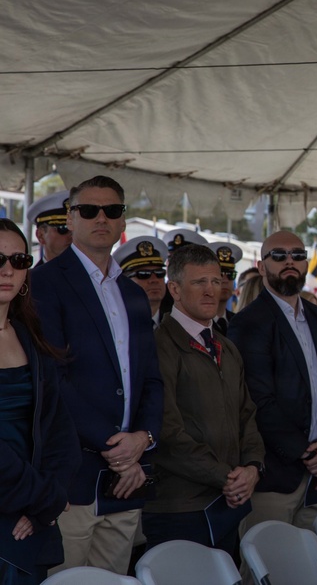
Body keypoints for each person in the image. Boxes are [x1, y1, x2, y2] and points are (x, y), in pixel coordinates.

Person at [32, 175, 163, 576]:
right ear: (70, 219)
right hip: (74, 479)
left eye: (113, 210)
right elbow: (52, 378)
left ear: (123, 222)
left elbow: (151, 380)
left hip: (127, 480)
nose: (101, 218)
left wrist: (144, 437)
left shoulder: (133, 293)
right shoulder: (44, 284)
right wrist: (117, 447)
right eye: (89, 210)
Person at [143, 244, 265, 562]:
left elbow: (247, 416)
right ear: (175, 289)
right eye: (199, 282)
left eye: (216, 280)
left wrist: (252, 467)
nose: (212, 290)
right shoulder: (159, 346)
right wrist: (226, 476)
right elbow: (166, 431)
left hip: (227, 503)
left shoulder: (226, 346)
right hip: (179, 507)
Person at [228, 230, 317, 533]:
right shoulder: (249, 323)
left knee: (314, 570)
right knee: (268, 570)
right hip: (275, 474)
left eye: (297, 255)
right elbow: (258, 401)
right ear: (261, 266)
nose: (289, 262)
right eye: (279, 255)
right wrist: (308, 454)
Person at [0, 219, 80, 584]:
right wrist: (45, 499)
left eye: (19, 260)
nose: (7, 270)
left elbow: (59, 428)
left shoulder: (30, 336)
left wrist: (44, 505)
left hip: (32, 518)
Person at [113, 236, 169, 328]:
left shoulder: (177, 325)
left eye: (159, 273)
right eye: (143, 274)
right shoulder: (116, 326)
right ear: (124, 281)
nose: (154, 280)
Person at [26, 191, 71, 265]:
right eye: (63, 228)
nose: (72, 235)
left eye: (77, 230)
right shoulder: (31, 276)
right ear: (41, 235)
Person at [208, 242, 241, 336]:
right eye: (220, 274)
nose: (225, 280)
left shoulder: (239, 322)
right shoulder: (197, 322)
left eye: (231, 275)